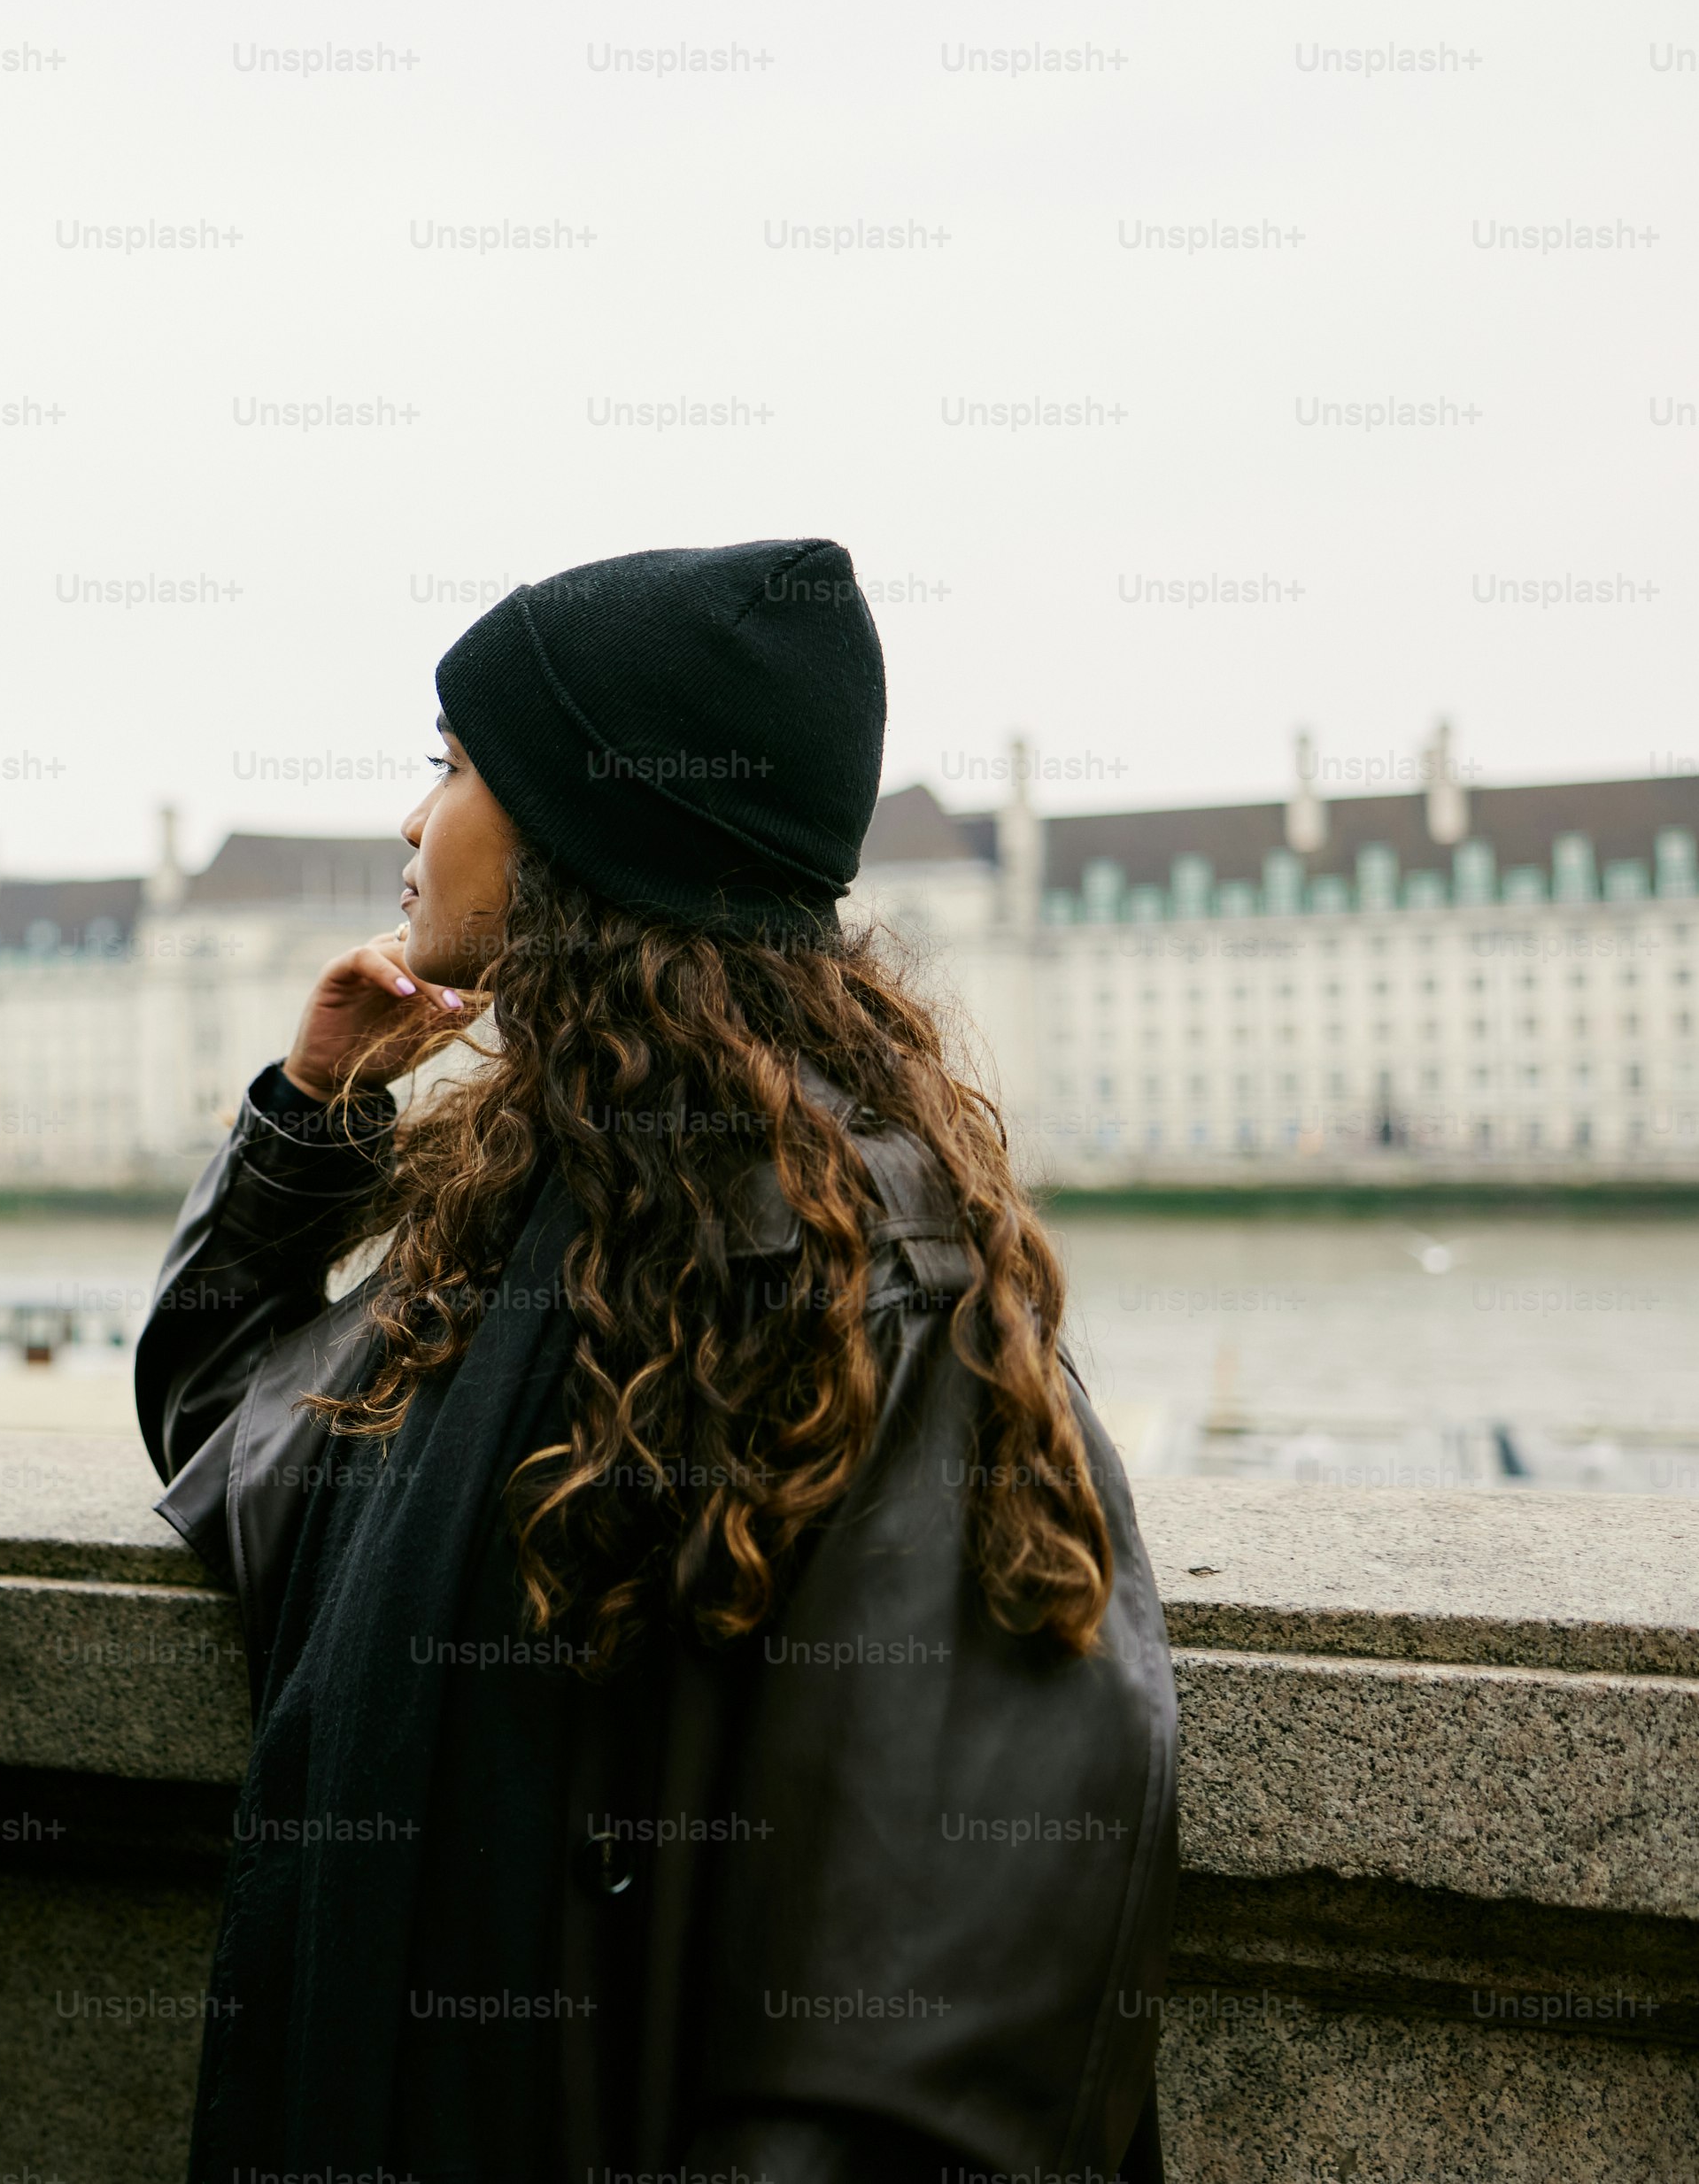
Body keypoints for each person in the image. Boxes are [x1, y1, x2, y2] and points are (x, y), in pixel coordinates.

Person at [139, 542, 1176, 2183]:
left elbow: (921, 2034)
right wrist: (313, 1113)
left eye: (454, 763)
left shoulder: (880, 1293)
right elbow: (234, 1445)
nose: (413, 824)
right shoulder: (535, 1215)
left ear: (577, 822)